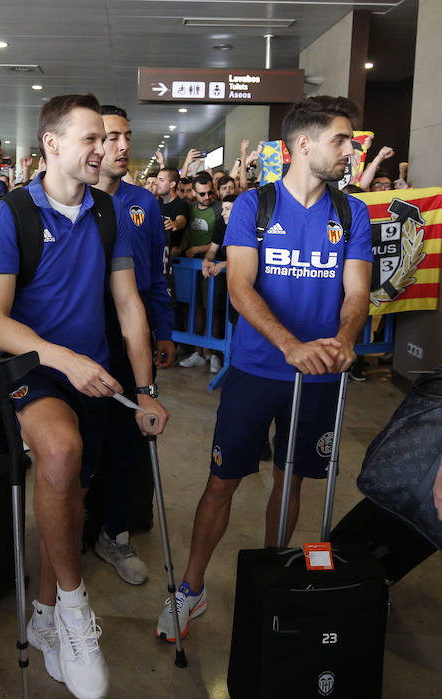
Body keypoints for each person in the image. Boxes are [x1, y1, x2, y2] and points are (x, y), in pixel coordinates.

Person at [156, 95, 373, 643]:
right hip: (257, 369)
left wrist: (345, 340)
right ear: (304, 143)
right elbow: (240, 284)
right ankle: (192, 586)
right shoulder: (257, 205)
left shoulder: (352, 212)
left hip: (320, 375)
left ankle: (275, 578)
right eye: (341, 140)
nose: (351, 150)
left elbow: (356, 291)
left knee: (292, 476)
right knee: (221, 482)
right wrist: (288, 345)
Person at [0, 93, 168, 699]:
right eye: (89, 138)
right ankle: (74, 610)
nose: (104, 149)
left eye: (107, 139)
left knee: (69, 496)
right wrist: (66, 359)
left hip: (93, 373)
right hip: (34, 368)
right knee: (58, 455)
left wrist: (145, 390)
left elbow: (128, 304)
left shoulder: (109, 212)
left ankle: (41, 613)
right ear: (51, 144)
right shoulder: (9, 215)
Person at [88, 104, 174, 586]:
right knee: (83, 437)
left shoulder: (144, 202)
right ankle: (78, 524)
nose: (122, 146)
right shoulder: (66, 200)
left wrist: (164, 330)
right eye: (111, 136)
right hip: (82, 331)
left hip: (134, 332)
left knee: (129, 435)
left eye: (127, 136)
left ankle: (115, 532)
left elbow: (156, 276)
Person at [179, 172, 226, 372]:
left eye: (209, 193)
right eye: (202, 194)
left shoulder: (219, 210)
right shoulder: (190, 209)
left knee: (212, 309)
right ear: (194, 193)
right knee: (195, 307)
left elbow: (219, 239)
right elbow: (188, 233)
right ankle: (199, 352)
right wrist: (181, 248)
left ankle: (215, 354)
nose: (207, 197)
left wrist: (196, 250)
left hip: (213, 266)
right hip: (192, 266)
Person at [156, 167, 189, 257]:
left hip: (172, 257)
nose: (157, 183)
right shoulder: (156, 203)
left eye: (161, 180)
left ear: (172, 184)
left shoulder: (181, 204)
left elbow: (181, 220)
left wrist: (174, 224)